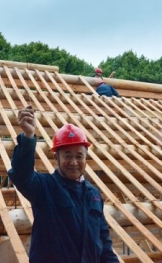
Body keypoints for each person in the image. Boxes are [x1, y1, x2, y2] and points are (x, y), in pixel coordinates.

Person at [8, 106, 119, 263]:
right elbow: (21, 175)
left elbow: (103, 244)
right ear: (56, 157)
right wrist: (28, 136)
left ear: (86, 158)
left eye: (79, 156)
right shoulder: (44, 187)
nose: (74, 162)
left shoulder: (93, 194)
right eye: (67, 155)